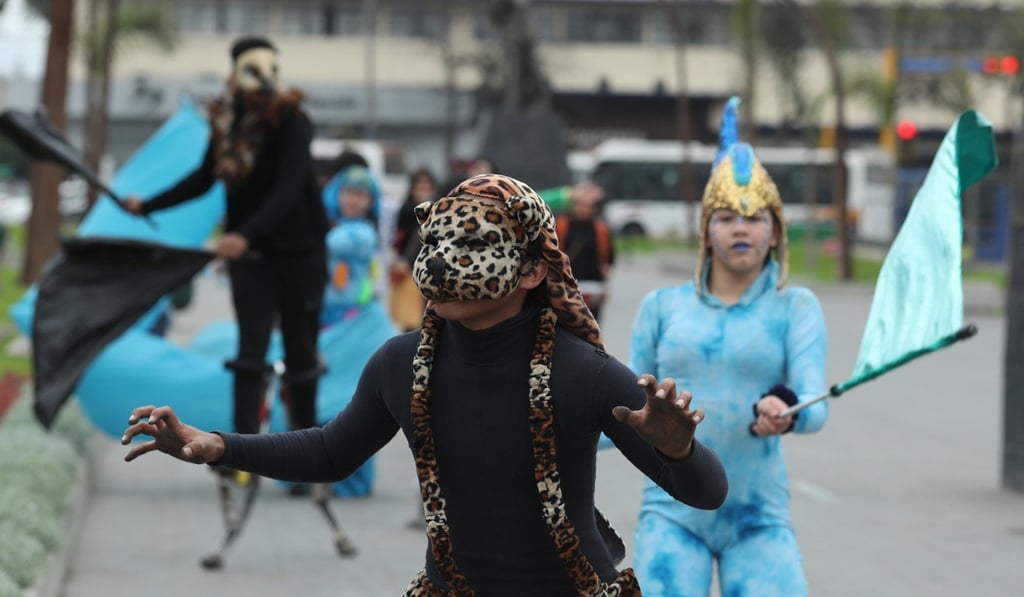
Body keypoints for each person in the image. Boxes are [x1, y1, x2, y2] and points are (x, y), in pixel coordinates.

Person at [122, 173, 728, 596]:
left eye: (470, 245)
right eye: (433, 241)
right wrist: (218, 446)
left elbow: (706, 493)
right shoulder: (399, 363)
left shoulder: (586, 373)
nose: (439, 260)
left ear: (533, 269)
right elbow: (333, 453)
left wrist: (678, 449)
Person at [627, 97, 827, 596]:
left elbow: (814, 403)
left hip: (759, 515)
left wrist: (789, 410)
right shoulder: (660, 305)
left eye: (757, 217)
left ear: (776, 231)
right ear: (706, 230)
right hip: (672, 512)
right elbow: (623, 406)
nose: (742, 227)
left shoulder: (795, 307)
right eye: (727, 217)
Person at [124, 36, 329, 437]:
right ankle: (243, 449)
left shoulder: (293, 122)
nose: (264, 82)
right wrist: (146, 205)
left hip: (300, 251)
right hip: (253, 258)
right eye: (253, 71)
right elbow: (203, 179)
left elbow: (289, 190)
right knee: (249, 352)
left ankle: (308, 447)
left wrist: (245, 235)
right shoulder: (227, 124)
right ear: (234, 75)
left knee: (301, 351)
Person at [555, 181, 614, 322]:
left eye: (588, 206)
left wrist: (606, 278)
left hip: (593, 285)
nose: (582, 209)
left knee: (591, 324)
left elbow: (609, 257)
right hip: (566, 285)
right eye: (579, 204)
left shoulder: (600, 229)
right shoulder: (561, 224)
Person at [389, 167, 437, 331]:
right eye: (420, 187)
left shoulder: (438, 214)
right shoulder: (407, 211)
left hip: (429, 268)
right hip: (408, 267)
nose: (424, 192)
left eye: (428, 187)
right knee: (410, 316)